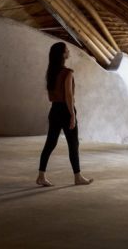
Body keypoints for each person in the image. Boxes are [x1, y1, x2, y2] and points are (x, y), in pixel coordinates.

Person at [36, 41, 93, 187]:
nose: (69, 52)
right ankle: (77, 177)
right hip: (66, 110)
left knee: (50, 144)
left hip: (54, 110)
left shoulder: (51, 73)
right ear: (62, 54)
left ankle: (41, 176)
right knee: (73, 144)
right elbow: (68, 95)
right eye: (67, 50)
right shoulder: (67, 73)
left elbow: (52, 96)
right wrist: (72, 115)